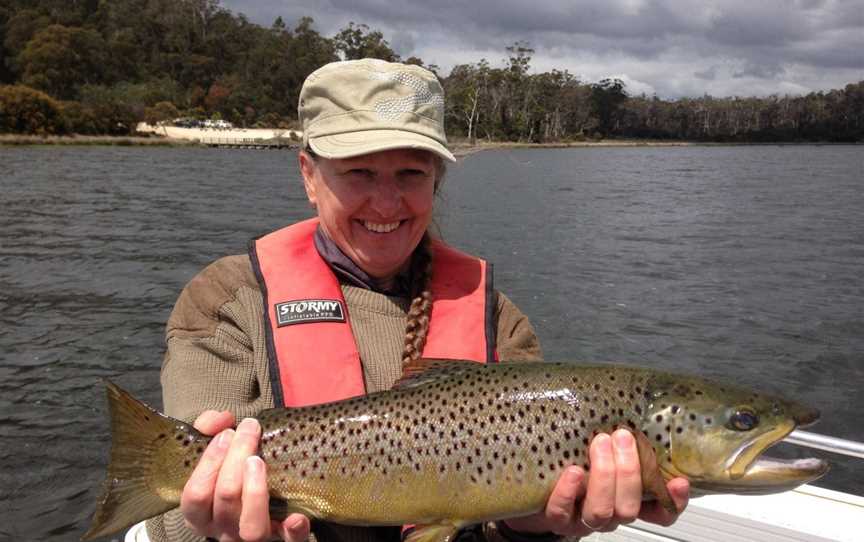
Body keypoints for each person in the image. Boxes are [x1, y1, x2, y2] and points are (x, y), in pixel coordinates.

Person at [146, 59, 689, 542]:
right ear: (309, 175)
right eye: (358, 172)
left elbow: (508, 526)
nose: (386, 202)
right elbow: (170, 519)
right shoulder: (227, 299)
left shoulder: (498, 319)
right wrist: (210, 529)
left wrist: (537, 526)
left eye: (411, 173)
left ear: (437, 180)